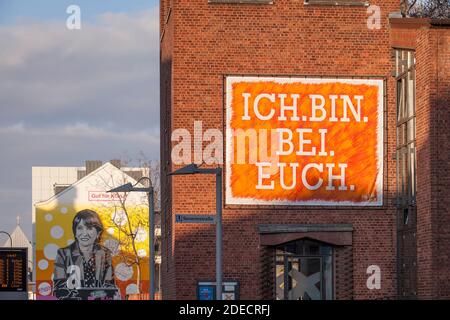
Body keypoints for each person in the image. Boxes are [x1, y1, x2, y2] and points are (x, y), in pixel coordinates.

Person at [52, 209, 119, 300]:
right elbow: (59, 289)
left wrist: (94, 295)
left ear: (98, 233)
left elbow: (109, 286)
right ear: (75, 232)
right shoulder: (63, 254)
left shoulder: (105, 254)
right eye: (80, 228)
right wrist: (83, 296)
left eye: (89, 228)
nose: (84, 233)